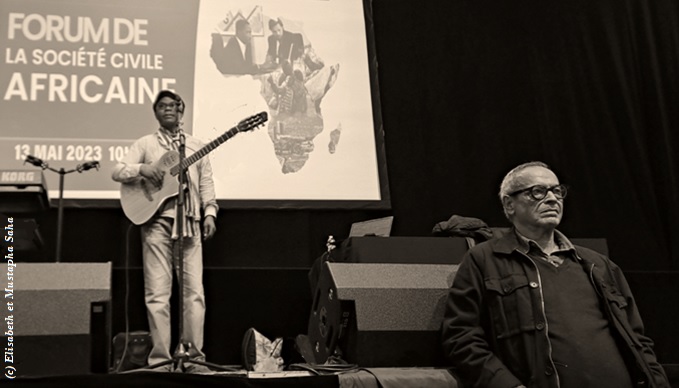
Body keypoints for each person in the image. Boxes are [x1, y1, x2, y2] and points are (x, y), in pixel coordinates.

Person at [441, 161, 669, 388]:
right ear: (509, 205)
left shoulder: (598, 264)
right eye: (537, 191)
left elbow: (638, 340)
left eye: (557, 191)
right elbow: (461, 337)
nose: (552, 198)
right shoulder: (484, 259)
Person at [112, 90, 218, 373]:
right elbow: (118, 171)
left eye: (173, 105)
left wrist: (210, 213)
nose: (168, 109)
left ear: (181, 110)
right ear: (155, 112)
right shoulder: (146, 143)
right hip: (156, 222)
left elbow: (206, 183)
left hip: (190, 222)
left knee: (194, 294)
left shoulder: (195, 146)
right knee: (157, 295)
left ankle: (193, 358)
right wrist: (143, 168)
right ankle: (160, 361)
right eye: (162, 106)